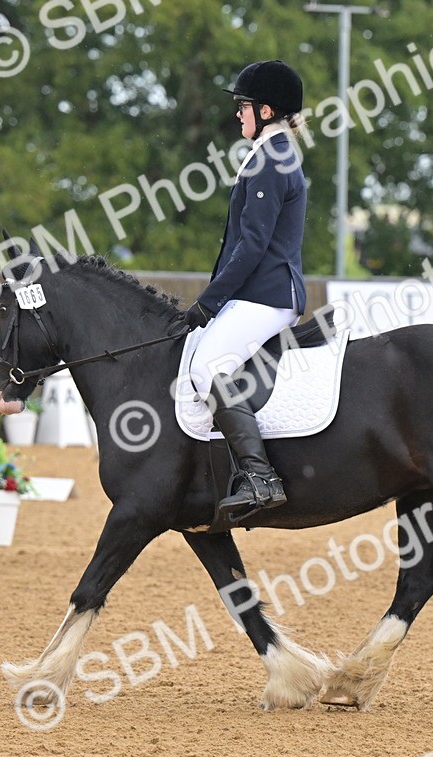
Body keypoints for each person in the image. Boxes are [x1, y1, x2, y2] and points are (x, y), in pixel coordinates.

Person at [181, 60, 308, 523]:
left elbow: (252, 245)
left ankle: (260, 477)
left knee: (206, 367)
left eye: (243, 106)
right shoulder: (270, 152)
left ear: (266, 110)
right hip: (260, 292)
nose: (238, 114)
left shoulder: (273, 157)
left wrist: (209, 302)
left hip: (268, 294)